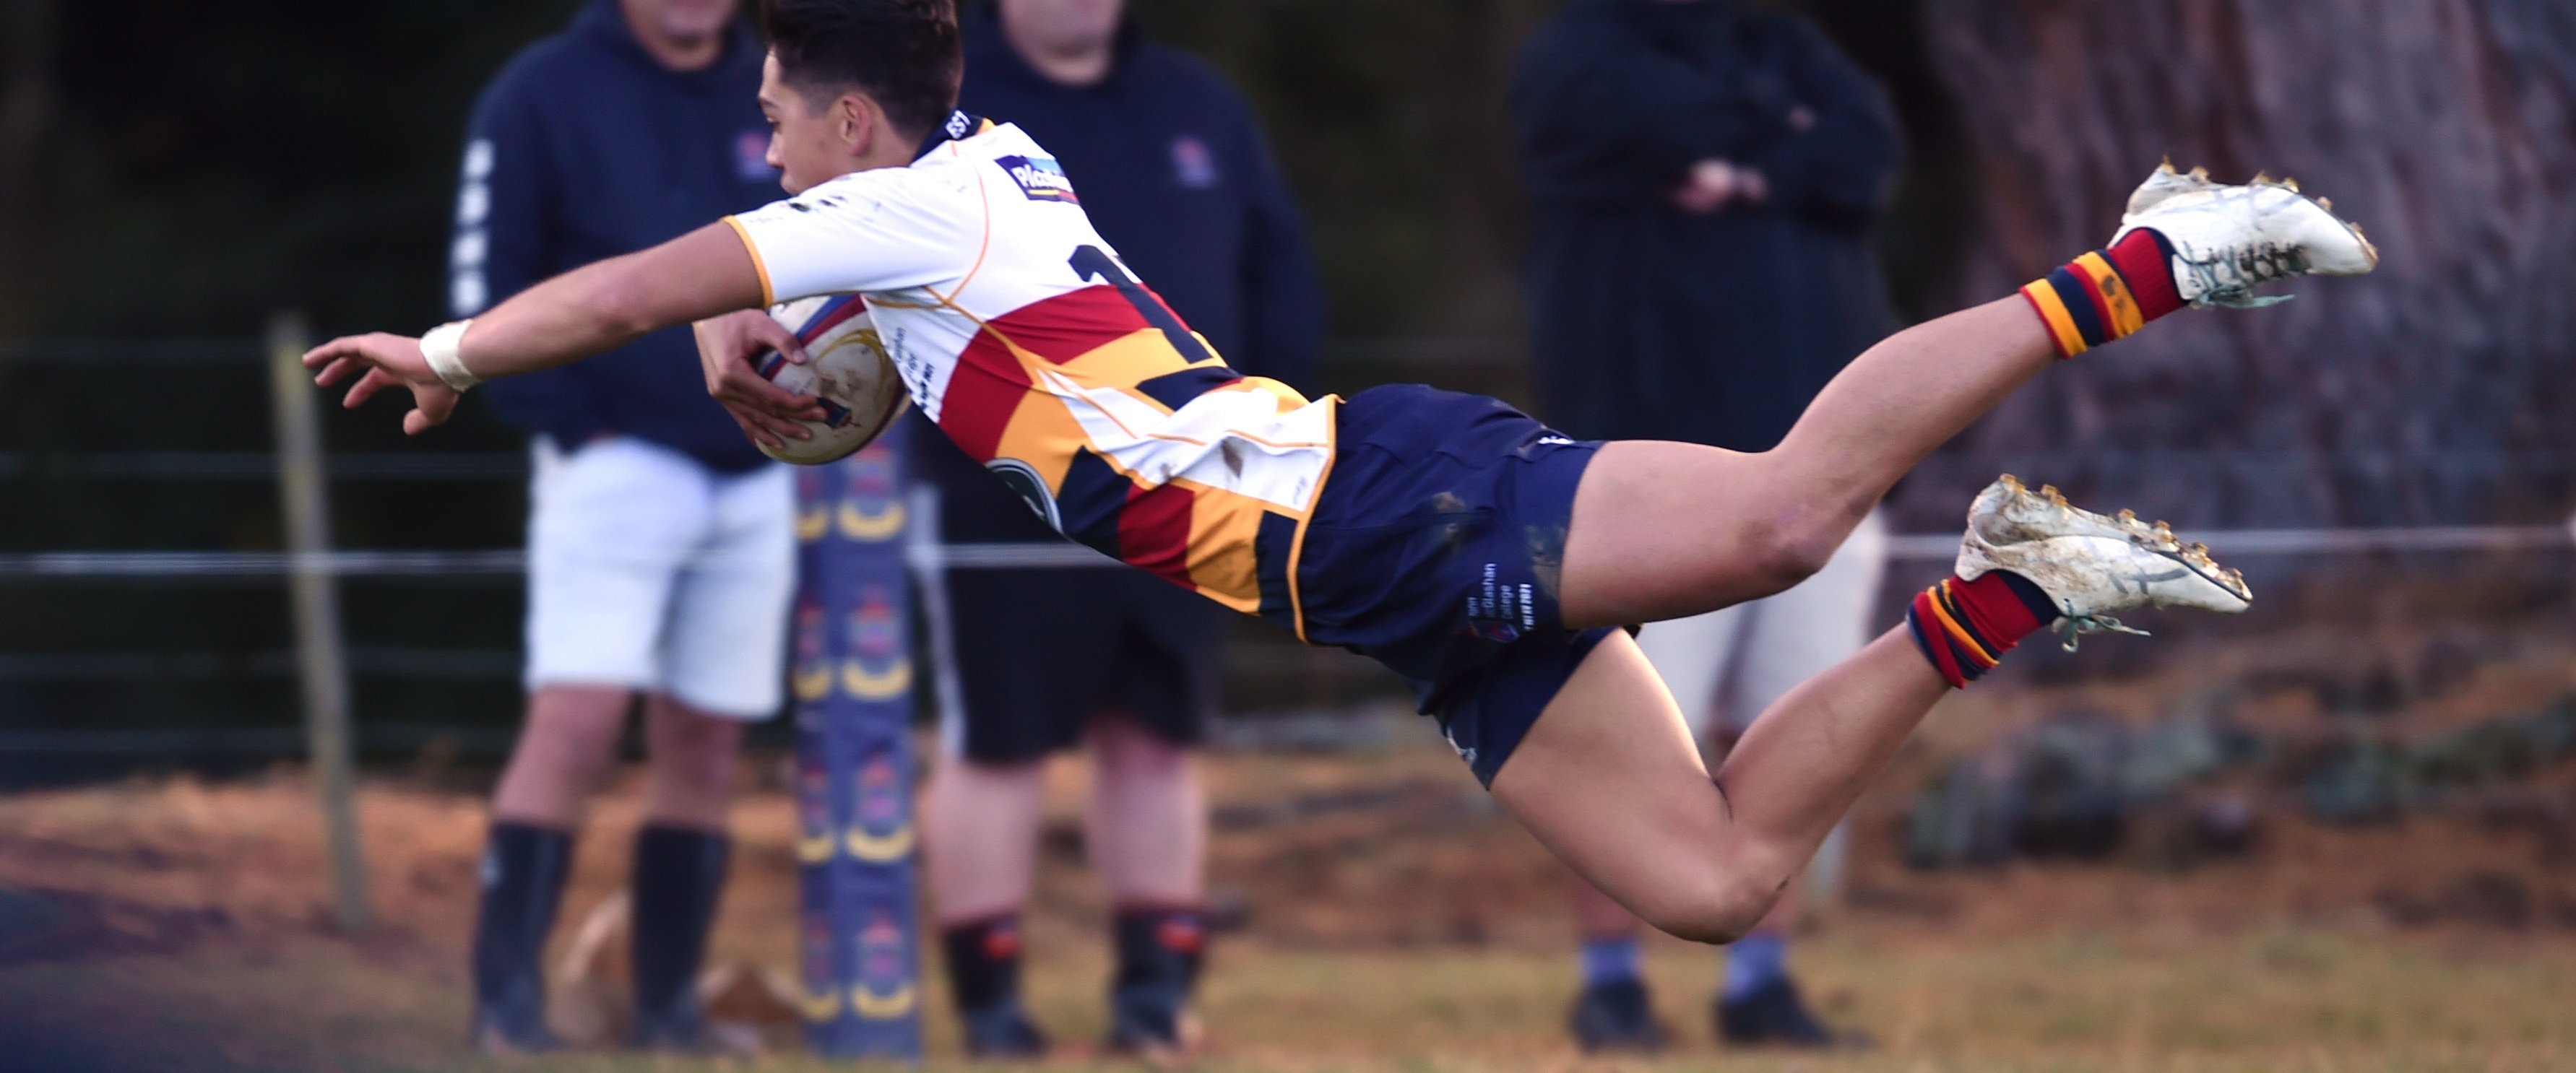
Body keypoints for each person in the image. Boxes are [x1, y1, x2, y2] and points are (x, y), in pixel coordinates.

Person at [309, 4, 2379, 1035]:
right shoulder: (944, 207)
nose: (756, 143)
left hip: (1367, 497)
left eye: (767, 111)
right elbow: (797, 366)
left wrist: (458, 346)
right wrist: (756, 370)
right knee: (1715, 880)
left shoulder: (902, 198)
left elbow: (629, 286)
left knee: (1773, 517)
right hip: (1367, 587)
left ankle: (2142, 258)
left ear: (838, 110)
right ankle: (2007, 586)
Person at [912, 0, 1322, 1059]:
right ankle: (992, 1009)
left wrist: (1260, 437)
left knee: (1155, 737)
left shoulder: (1200, 106)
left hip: (1191, 479)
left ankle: (1153, 997)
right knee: (995, 742)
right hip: (1001, 483)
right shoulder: (946, 111)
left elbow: (1280, 279)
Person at [1508, 0, 1901, 1049]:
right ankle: (1613, 984)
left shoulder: (1785, 43)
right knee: (1620, 739)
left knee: (1805, 729)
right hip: (1639, 480)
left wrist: (1740, 172)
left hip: (1820, 477)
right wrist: (1787, 142)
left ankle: (1759, 985)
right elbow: (1637, 120)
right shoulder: (1577, 51)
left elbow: (1868, 153)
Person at [444, 0, 792, 1054]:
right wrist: (570, 427)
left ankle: (667, 1007)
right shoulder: (541, 90)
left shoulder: (783, 88)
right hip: (612, 461)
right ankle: (503, 1002)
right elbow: (483, 272)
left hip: (759, 464)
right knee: (578, 722)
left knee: (707, 739)